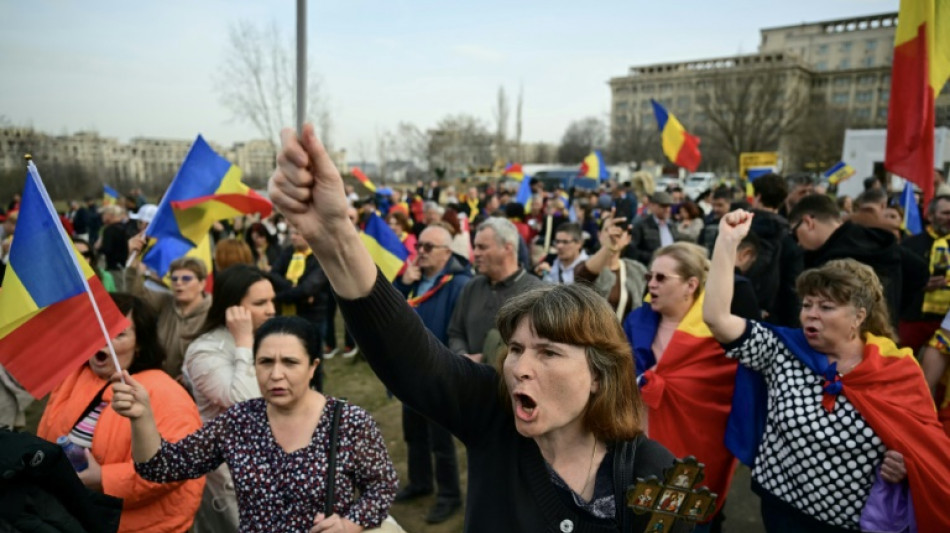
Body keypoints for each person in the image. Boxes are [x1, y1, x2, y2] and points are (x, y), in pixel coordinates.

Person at [267, 124, 690, 532]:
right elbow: (412, 357)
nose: (519, 367)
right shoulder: (495, 415)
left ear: (599, 374)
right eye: (517, 349)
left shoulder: (657, 476)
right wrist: (336, 237)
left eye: (548, 352)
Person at [705, 209, 950, 532]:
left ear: (859, 316)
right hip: (779, 508)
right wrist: (727, 241)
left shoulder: (897, 370)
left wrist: (907, 463)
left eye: (826, 307)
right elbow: (717, 318)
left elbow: (923, 443)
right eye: (807, 305)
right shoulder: (781, 349)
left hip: (850, 522)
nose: (811, 315)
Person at [112, 315, 398, 532]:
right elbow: (160, 466)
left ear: (313, 367)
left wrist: (350, 523)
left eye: (290, 362)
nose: (276, 374)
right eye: (265, 362)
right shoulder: (240, 421)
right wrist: (142, 417)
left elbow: (382, 488)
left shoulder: (350, 422)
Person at [37, 293, 204, 533]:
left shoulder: (167, 393)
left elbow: (177, 465)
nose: (103, 342)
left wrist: (103, 478)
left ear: (139, 344)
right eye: (97, 331)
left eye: (118, 334)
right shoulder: (75, 377)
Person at [622, 242, 738, 530]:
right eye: (650, 276)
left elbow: (725, 396)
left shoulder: (719, 332)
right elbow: (620, 371)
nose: (651, 284)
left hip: (694, 446)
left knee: (686, 523)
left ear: (691, 284)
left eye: (661, 278)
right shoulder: (637, 320)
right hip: (639, 441)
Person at [181, 264, 276, 530]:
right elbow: (247, 403)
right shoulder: (205, 351)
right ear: (234, 309)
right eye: (261, 302)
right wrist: (243, 342)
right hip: (235, 480)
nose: (271, 309)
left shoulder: (269, 339)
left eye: (272, 300)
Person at [392, 224, 472, 523]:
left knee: (441, 440)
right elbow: (388, 315)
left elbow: (457, 330)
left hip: (438, 372)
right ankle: (420, 482)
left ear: (447, 253)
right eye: (419, 246)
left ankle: (449, 495)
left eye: (428, 247)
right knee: (413, 435)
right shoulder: (411, 279)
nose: (420, 252)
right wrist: (401, 284)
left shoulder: (459, 284)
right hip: (409, 370)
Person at [789, 194, 929, 330]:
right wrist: (894, 309)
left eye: (794, 233)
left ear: (808, 222)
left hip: (843, 342)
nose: (798, 243)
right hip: (883, 338)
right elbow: (920, 271)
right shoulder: (878, 240)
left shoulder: (829, 261)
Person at [447, 217, 544, 364]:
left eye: (482, 247)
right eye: (475, 247)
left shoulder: (537, 291)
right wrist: (463, 356)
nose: (476, 253)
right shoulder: (471, 287)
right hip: (469, 379)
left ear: (507, 248)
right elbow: (455, 333)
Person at [125, 246, 212, 378]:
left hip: (198, 386)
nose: (179, 283)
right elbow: (135, 295)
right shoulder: (166, 301)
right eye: (174, 279)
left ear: (202, 283)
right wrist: (133, 260)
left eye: (186, 279)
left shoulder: (213, 311)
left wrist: (189, 378)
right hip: (163, 381)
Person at [270, 226, 330, 389]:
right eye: (291, 234)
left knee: (313, 358)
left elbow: (308, 289)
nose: (293, 237)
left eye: (297, 233)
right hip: (288, 314)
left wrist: (278, 296)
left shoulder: (318, 257)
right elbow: (273, 275)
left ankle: (317, 392)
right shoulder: (288, 253)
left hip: (312, 316)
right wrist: (292, 287)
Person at [574, 213, 648, 321]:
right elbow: (583, 276)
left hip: (625, 336)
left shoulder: (637, 270)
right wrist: (608, 247)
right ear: (599, 235)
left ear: (628, 238)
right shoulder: (586, 265)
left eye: (619, 232)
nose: (613, 234)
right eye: (607, 230)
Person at [627, 191, 682, 265]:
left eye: (669, 206)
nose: (667, 209)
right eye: (663, 206)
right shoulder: (641, 225)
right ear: (652, 206)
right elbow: (633, 250)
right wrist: (654, 257)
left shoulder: (672, 225)